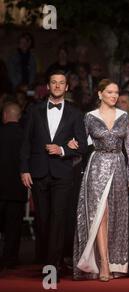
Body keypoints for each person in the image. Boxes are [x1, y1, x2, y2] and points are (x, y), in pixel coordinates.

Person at [20, 70, 87, 279]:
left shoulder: (76, 113)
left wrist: (63, 150)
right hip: (38, 172)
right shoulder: (34, 110)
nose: (57, 86)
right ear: (48, 86)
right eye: (54, 83)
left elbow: (83, 146)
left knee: (58, 219)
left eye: (61, 83)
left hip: (62, 172)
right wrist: (24, 168)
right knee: (43, 220)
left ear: (67, 87)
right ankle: (54, 259)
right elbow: (25, 142)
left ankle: (51, 267)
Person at [72, 79, 129, 281]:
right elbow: (82, 145)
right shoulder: (89, 117)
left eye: (116, 92)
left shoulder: (124, 116)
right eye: (109, 92)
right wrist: (72, 146)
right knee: (101, 213)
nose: (114, 96)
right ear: (99, 94)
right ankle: (104, 264)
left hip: (118, 166)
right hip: (97, 166)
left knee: (116, 215)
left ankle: (113, 262)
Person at [0, 102, 27, 270]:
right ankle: (10, 259)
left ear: (4, 116)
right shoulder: (25, 136)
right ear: (19, 117)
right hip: (17, 189)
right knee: (13, 228)